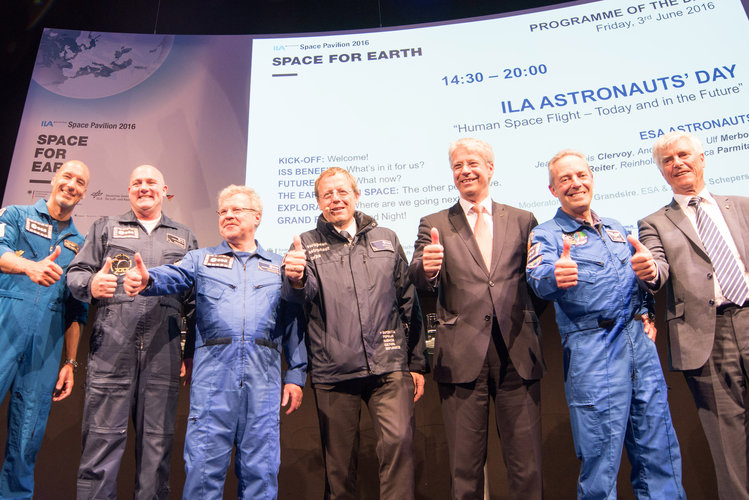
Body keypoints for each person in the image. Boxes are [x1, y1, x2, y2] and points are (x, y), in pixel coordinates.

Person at [123, 185, 306, 499]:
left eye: (236, 210)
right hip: (213, 379)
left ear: (257, 217)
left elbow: (293, 324)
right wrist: (148, 279)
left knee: (261, 471)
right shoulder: (200, 259)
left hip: (262, 379)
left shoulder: (279, 266)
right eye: (223, 211)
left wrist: (296, 375)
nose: (228, 216)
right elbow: (173, 276)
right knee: (203, 470)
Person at [526, 149, 684, 498]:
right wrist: (555, 275)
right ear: (553, 190)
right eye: (565, 179)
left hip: (637, 343)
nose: (575, 183)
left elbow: (636, 276)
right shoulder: (547, 234)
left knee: (658, 444)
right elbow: (537, 278)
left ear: (592, 179)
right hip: (592, 347)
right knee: (600, 454)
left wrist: (647, 310)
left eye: (581, 175)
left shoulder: (615, 227)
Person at [409, 138, 544, 499]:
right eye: (457, 166)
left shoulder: (523, 219)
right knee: (464, 468)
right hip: (461, 354)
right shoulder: (434, 223)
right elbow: (419, 276)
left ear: (490, 168)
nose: (465, 171)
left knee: (526, 463)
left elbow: (538, 282)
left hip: (517, 349)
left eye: (472, 164)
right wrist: (427, 268)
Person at [281, 167, 426, 500]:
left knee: (399, 448)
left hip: (389, 365)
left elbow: (408, 300)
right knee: (339, 469)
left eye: (342, 191)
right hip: (334, 369)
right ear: (318, 201)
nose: (336, 199)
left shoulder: (387, 237)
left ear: (356, 195)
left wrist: (416, 362)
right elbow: (299, 298)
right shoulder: (305, 244)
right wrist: (296, 278)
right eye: (327, 194)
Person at [66, 165, 198, 499]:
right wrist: (91, 284)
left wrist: (189, 352)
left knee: (157, 447)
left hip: (162, 350)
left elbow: (196, 300)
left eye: (150, 182)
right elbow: (76, 274)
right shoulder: (105, 228)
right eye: (136, 183)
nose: (143, 187)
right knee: (101, 442)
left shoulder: (184, 237)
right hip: (111, 348)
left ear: (164, 189)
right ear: (128, 191)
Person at [638, 131, 749, 499]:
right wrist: (648, 270)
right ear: (661, 172)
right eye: (668, 161)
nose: (677, 164)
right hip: (706, 336)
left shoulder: (742, 205)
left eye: (684, 155)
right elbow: (658, 268)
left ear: (702, 159)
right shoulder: (655, 222)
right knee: (727, 444)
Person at [0, 160, 90, 497]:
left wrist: (69, 362)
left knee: (27, 437)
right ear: (54, 179)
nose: (71, 184)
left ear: (84, 192)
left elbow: (77, 308)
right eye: (67, 176)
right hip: (5, 326)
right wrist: (28, 267)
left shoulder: (80, 244)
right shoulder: (14, 215)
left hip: (46, 345)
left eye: (79, 182)